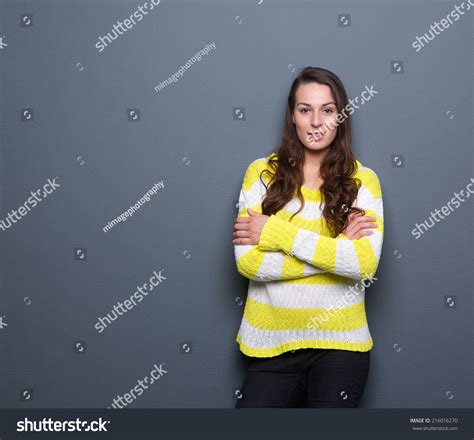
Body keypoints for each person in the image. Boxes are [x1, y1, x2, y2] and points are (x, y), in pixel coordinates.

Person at [232, 66, 384, 408]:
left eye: (327, 110)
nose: (316, 122)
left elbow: (363, 264)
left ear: (340, 117)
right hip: (271, 345)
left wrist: (273, 231)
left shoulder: (364, 181)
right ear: (292, 116)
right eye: (305, 110)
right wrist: (336, 252)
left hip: (341, 349)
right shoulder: (261, 174)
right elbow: (249, 262)